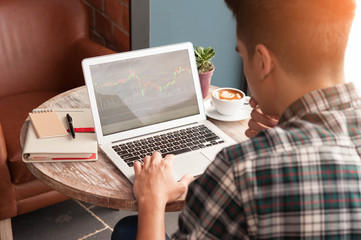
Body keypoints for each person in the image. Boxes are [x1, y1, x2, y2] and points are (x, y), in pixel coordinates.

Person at [112, 0, 361, 239]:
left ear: (263, 62)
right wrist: (293, 132)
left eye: (242, 55)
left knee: (127, 230)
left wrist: (152, 200)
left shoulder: (241, 170)